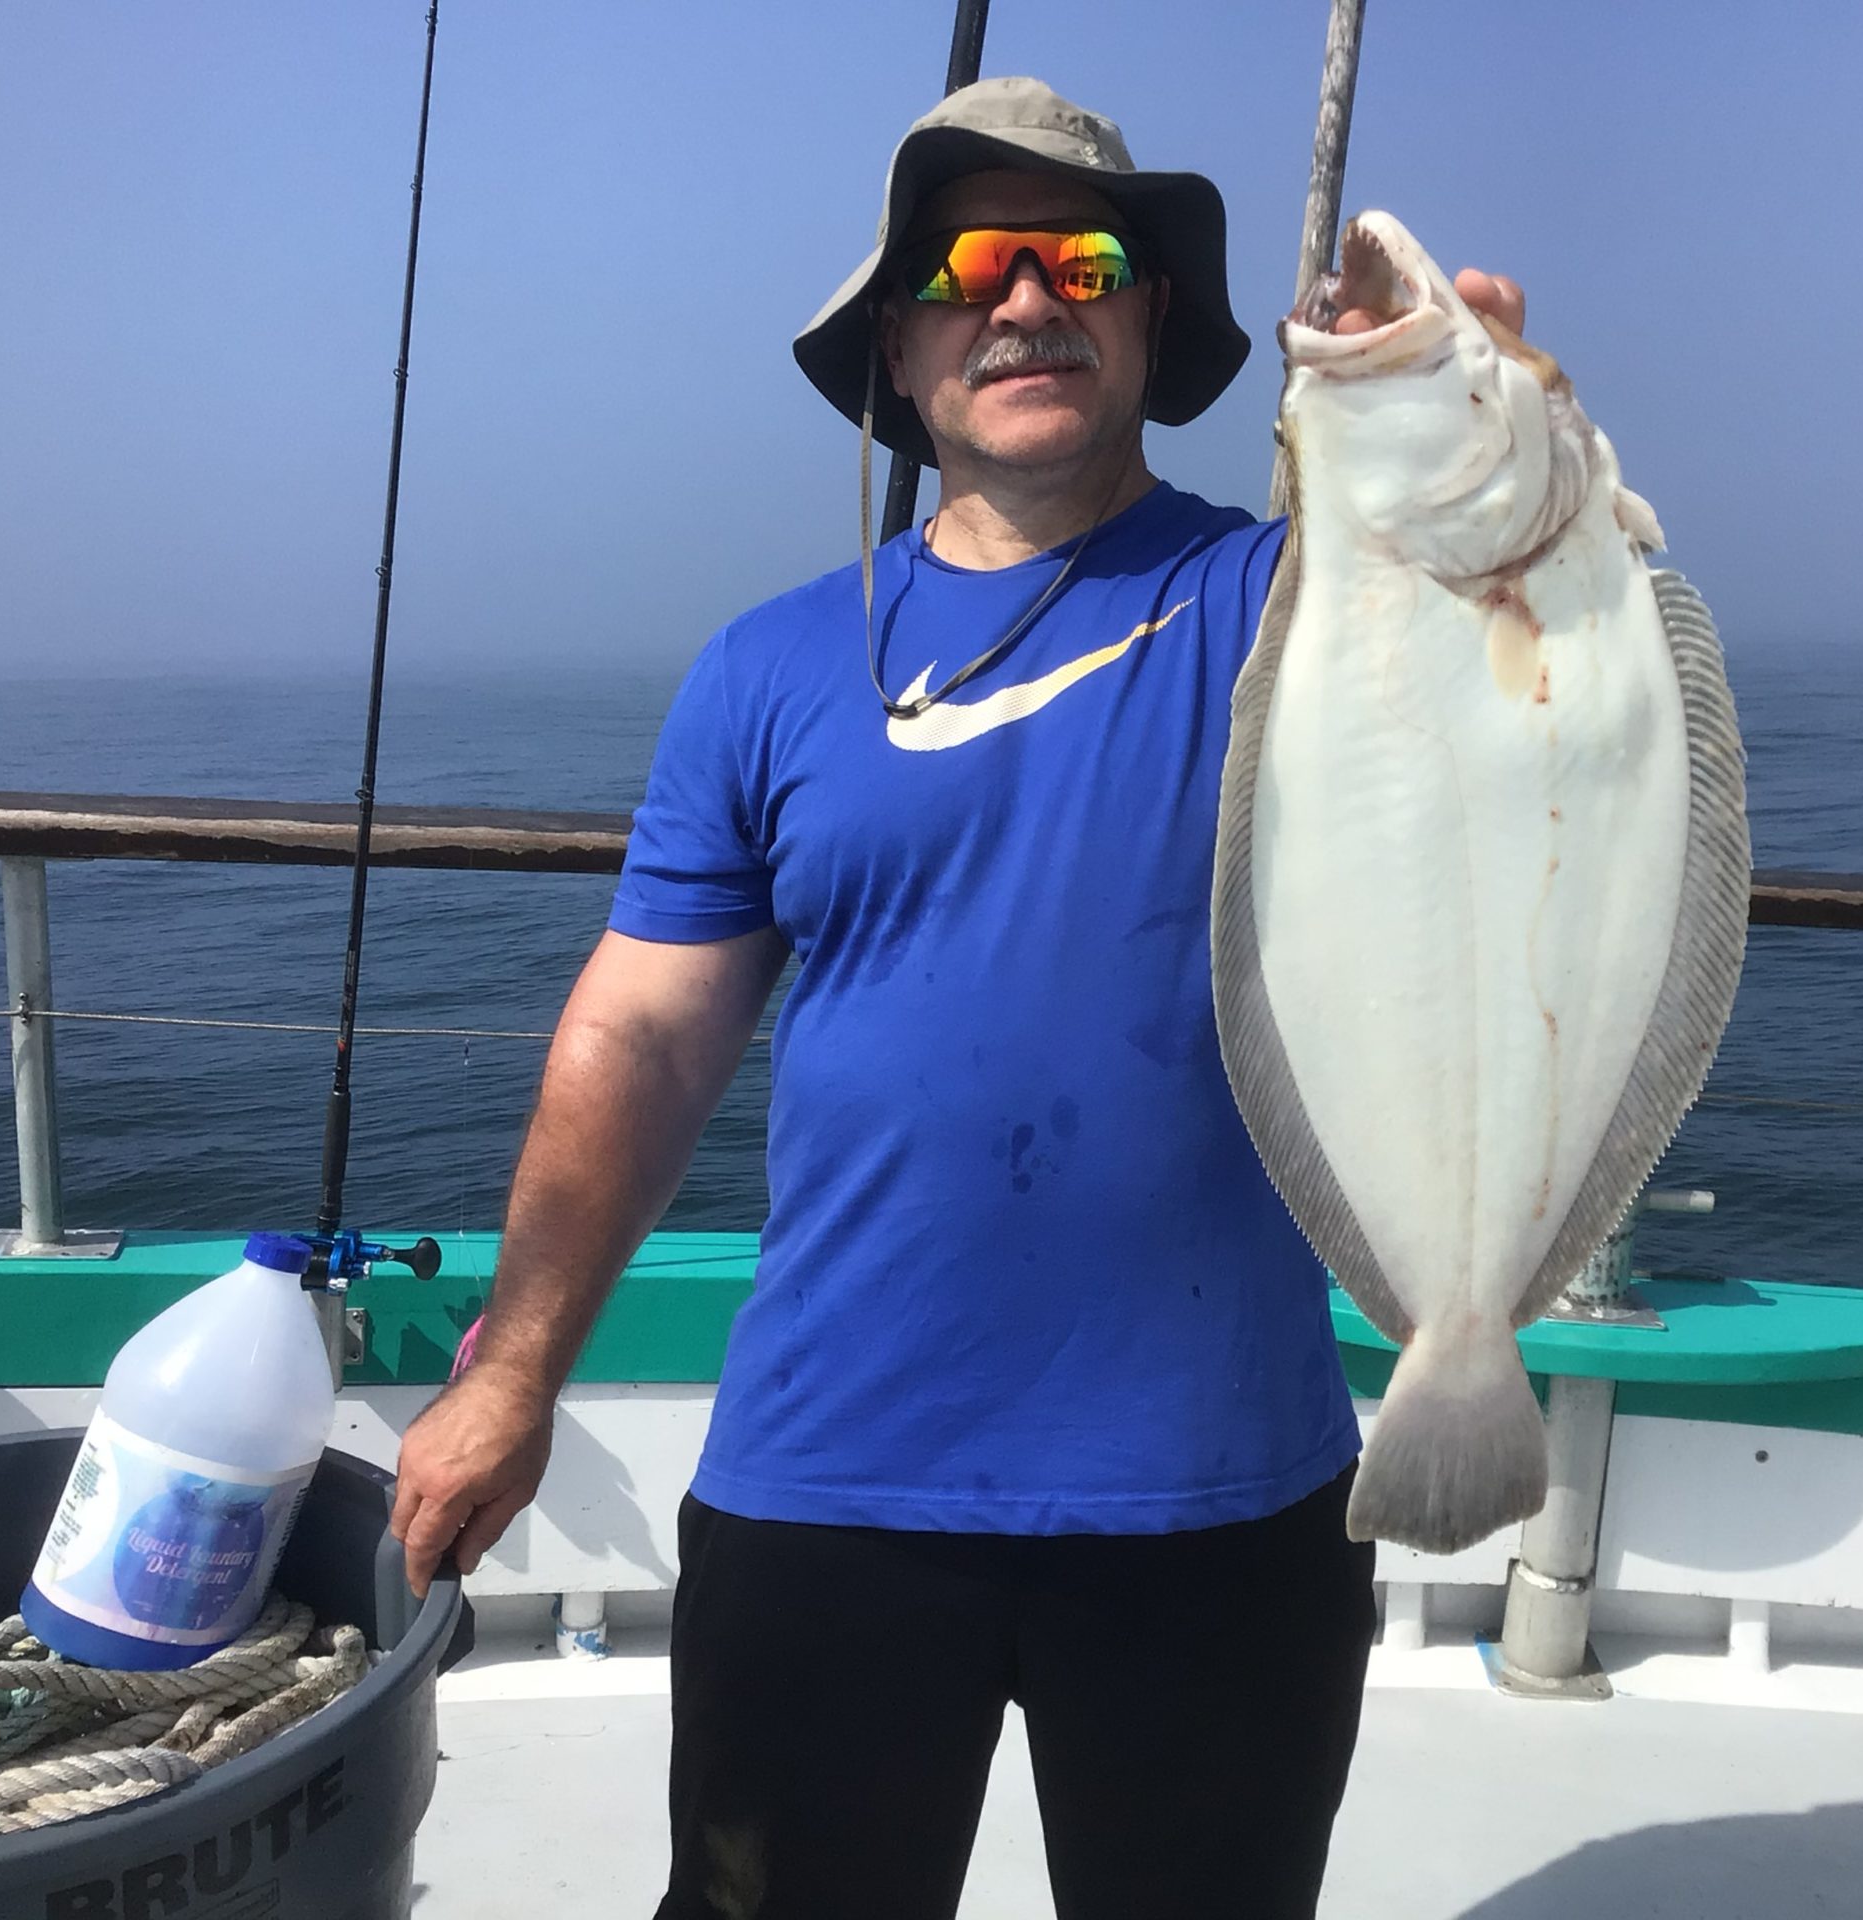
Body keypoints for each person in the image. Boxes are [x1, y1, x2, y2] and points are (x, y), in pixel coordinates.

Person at [391, 76, 1528, 1920]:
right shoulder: (767, 669)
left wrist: (1470, 444)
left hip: (1221, 1495)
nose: (1025, 299)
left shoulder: (1302, 606)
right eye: (967, 266)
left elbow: (1524, 676)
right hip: (831, 1482)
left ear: (1151, 323)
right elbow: (644, 1034)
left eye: (1082, 258)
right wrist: (513, 1373)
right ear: (899, 346)